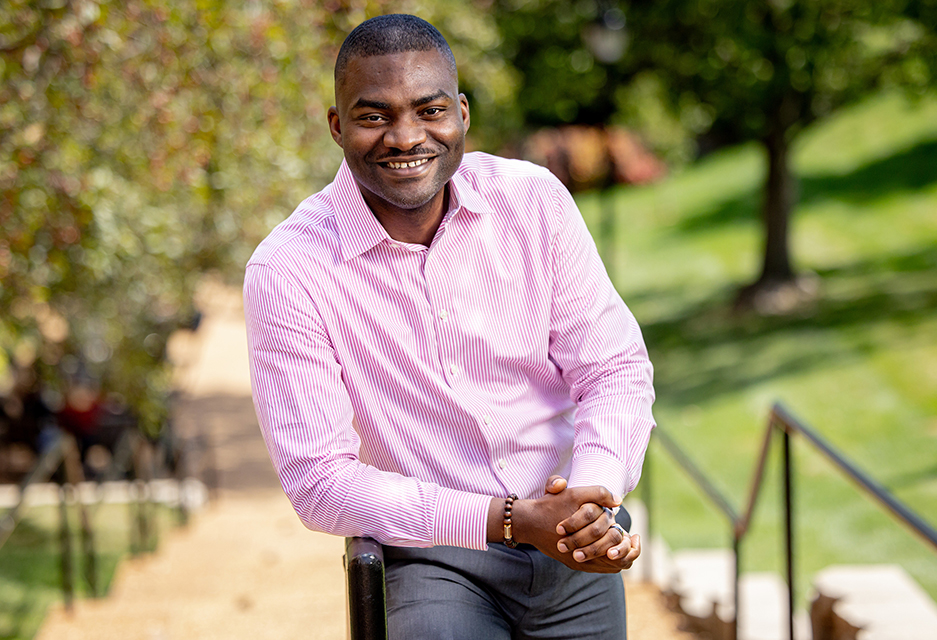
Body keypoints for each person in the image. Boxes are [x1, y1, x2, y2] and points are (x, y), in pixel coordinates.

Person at [243, 14, 656, 639]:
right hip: (434, 560)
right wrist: (511, 519)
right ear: (337, 126)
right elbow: (321, 482)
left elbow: (613, 367)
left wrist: (591, 499)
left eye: (429, 109)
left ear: (461, 113)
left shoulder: (533, 202)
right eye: (374, 115)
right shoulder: (290, 271)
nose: (406, 137)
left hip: (573, 545)